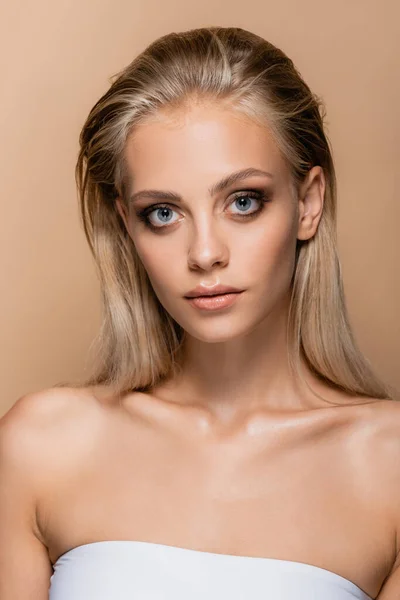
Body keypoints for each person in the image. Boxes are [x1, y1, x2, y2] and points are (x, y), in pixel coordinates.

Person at [0, 25, 399, 600]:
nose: (205, 253)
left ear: (308, 203)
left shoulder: (388, 467)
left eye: (243, 202)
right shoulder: (42, 446)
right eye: (163, 213)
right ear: (126, 225)